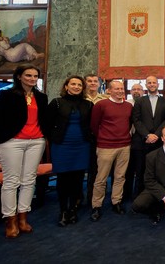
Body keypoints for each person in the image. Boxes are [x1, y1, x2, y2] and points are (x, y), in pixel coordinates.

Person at [0, 63, 48, 238]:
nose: (32, 79)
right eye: (28, 75)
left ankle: (23, 218)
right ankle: (10, 220)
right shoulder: (6, 95)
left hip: (36, 142)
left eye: (35, 76)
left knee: (29, 180)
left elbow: (44, 119)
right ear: (19, 77)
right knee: (11, 182)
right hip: (12, 142)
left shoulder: (41, 97)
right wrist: (2, 137)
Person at [46, 76, 93, 227]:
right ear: (66, 86)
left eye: (79, 85)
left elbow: (91, 125)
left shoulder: (88, 104)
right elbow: (46, 124)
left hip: (82, 146)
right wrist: (53, 138)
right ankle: (63, 211)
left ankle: (73, 209)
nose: (77, 87)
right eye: (73, 84)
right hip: (62, 146)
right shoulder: (57, 102)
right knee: (63, 180)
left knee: (78, 180)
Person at [89, 81, 133, 221]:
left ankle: (116, 202)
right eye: (117, 89)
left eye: (122, 89)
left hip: (125, 145)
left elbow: (129, 123)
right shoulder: (101, 105)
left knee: (120, 177)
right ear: (109, 90)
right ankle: (96, 205)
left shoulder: (128, 106)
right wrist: (104, 137)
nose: (120, 91)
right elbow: (94, 125)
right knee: (101, 179)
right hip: (106, 146)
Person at [130, 76, 165, 199]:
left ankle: (159, 197)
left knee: (158, 172)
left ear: (158, 84)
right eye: (149, 83)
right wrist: (147, 135)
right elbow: (136, 120)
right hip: (142, 142)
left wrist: (156, 135)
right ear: (146, 85)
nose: (152, 84)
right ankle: (139, 197)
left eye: (154, 82)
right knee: (141, 171)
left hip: (159, 143)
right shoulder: (139, 101)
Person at [84, 74, 110, 204]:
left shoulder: (105, 99)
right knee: (86, 168)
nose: (93, 83)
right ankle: (84, 197)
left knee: (98, 169)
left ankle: (97, 198)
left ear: (99, 84)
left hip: (101, 138)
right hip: (84, 138)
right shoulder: (81, 99)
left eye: (95, 81)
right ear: (85, 83)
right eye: (89, 81)